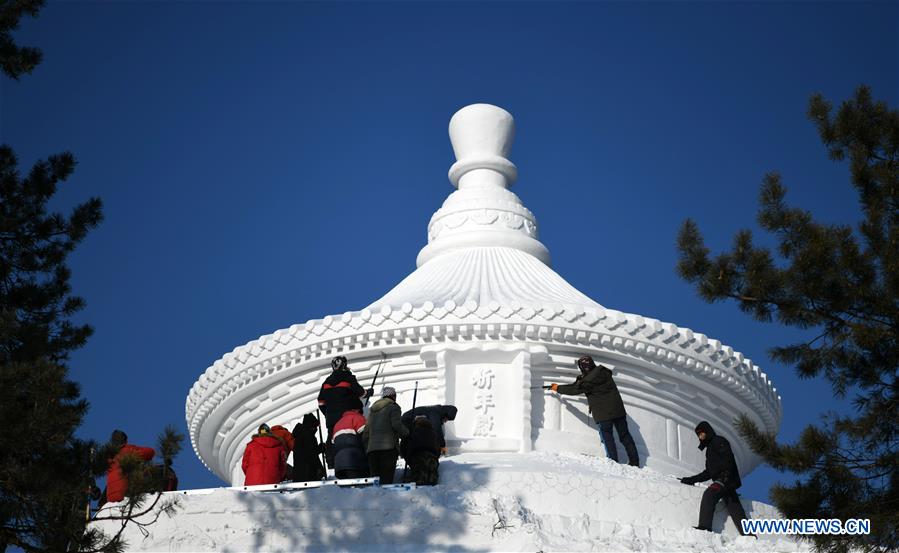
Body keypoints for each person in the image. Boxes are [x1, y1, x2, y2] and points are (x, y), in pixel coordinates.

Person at [550, 355, 640, 467]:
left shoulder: (588, 381)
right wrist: (580, 379)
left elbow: (574, 389)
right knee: (625, 436)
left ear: (582, 368)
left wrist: (556, 388)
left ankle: (613, 462)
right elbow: (581, 383)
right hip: (618, 411)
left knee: (608, 438)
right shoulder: (604, 372)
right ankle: (635, 461)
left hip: (603, 415)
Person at [679, 421, 753, 535]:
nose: (700, 436)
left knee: (709, 494)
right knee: (734, 507)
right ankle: (748, 534)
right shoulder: (709, 449)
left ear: (707, 431)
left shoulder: (718, 441)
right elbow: (709, 472)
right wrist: (691, 479)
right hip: (726, 481)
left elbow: (728, 459)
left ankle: (705, 527)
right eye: (698, 435)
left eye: (701, 433)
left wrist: (725, 477)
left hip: (725, 478)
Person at [318, 356, 373, 466]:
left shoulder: (326, 382)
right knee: (352, 438)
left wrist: (328, 413)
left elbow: (321, 402)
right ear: (344, 365)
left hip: (331, 418)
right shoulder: (348, 378)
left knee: (331, 437)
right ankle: (356, 459)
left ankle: (331, 461)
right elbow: (361, 393)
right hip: (347, 416)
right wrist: (369, 392)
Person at [363, 386, 409, 484]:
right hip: (388, 449)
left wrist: (367, 446)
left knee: (375, 482)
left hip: (372, 451)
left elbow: (366, 430)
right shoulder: (394, 407)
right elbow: (397, 425)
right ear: (393, 396)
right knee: (386, 481)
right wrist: (407, 434)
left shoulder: (372, 410)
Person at [105, 429, 156, 503]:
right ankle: (151, 489)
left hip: (111, 498)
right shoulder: (128, 450)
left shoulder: (109, 458)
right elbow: (151, 452)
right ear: (125, 441)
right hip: (127, 494)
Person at [332, 409, 369, 479]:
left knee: (348, 489)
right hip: (355, 462)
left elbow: (332, 446)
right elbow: (367, 437)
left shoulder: (337, 424)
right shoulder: (357, 418)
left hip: (339, 466)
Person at [406, 415, 440, 485]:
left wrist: (408, 459)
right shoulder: (433, 431)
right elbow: (438, 446)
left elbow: (408, 446)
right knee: (432, 479)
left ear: (416, 422)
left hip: (417, 456)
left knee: (418, 479)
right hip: (432, 457)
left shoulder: (413, 430)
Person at [291, 414, 326, 482]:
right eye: (315, 426)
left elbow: (308, 452)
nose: (316, 429)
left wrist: (320, 448)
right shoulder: (308, 435)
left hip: (299, 473)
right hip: (307, 473)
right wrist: (320, 468)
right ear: (311, 425)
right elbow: (312, 454)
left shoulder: (300, 435)